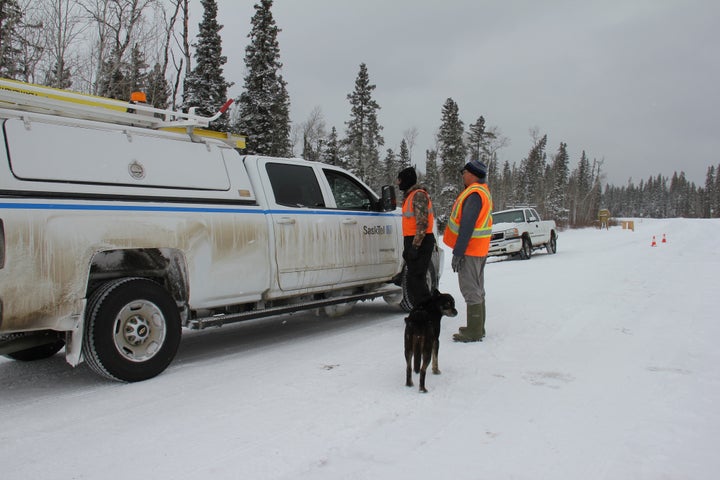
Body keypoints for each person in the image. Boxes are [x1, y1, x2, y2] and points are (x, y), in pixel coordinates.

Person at [443, 159, 493, 342]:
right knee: (478, 289)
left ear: (472, 174)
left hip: (470, 250)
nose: (462, 175)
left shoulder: (473, 194)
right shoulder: (482, 192)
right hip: (479, 249)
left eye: (464, 172)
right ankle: (478, 327)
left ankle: (474, 331)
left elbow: (467, 226)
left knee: (470, 289)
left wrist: (458, 252)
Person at [397, 166, 436, 307]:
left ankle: (426, 309)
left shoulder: (418, 195)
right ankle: (421, 308)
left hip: (420, 241)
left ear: (407, 180)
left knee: (417, 279)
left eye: (400, 179)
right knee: (413, 279)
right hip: (413, 240)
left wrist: (414, 246)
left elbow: (422, 224)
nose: (398, 182)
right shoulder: (410, 196)